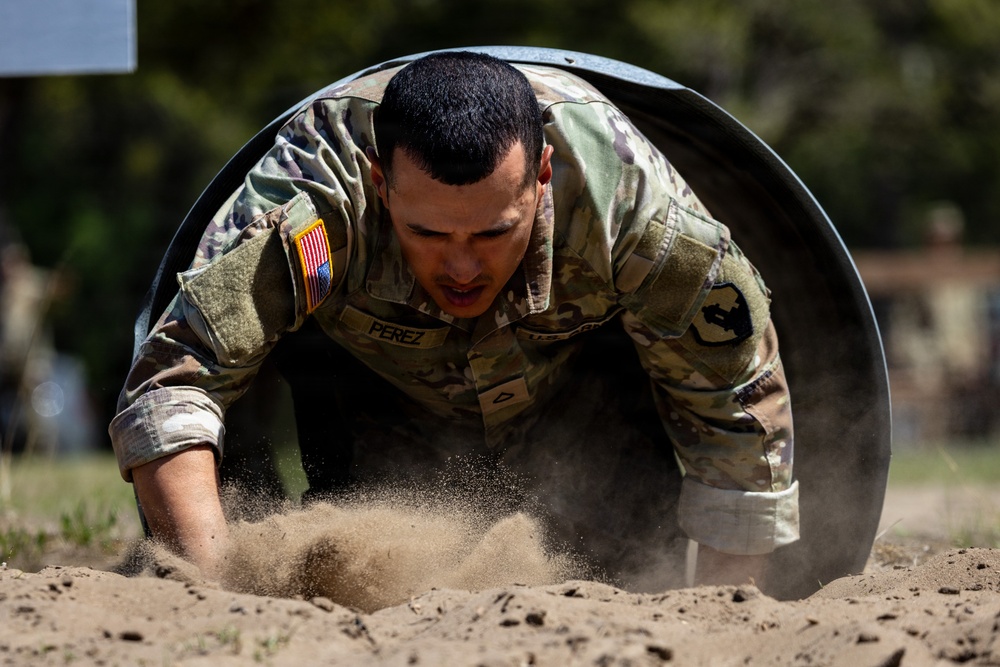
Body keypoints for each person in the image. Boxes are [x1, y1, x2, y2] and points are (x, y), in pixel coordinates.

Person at [109, 52, 797, 591]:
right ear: (381, 186)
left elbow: (737, 415)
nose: (463, 267)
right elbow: (177, 380)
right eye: (430, 233)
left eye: (494, 232)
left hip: (587, 419)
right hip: (380, 418)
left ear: (544, 177)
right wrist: (216, 591)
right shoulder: (318, 198)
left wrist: (720, 611)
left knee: (620, 562)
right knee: (351, 570)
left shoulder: (634, 214)